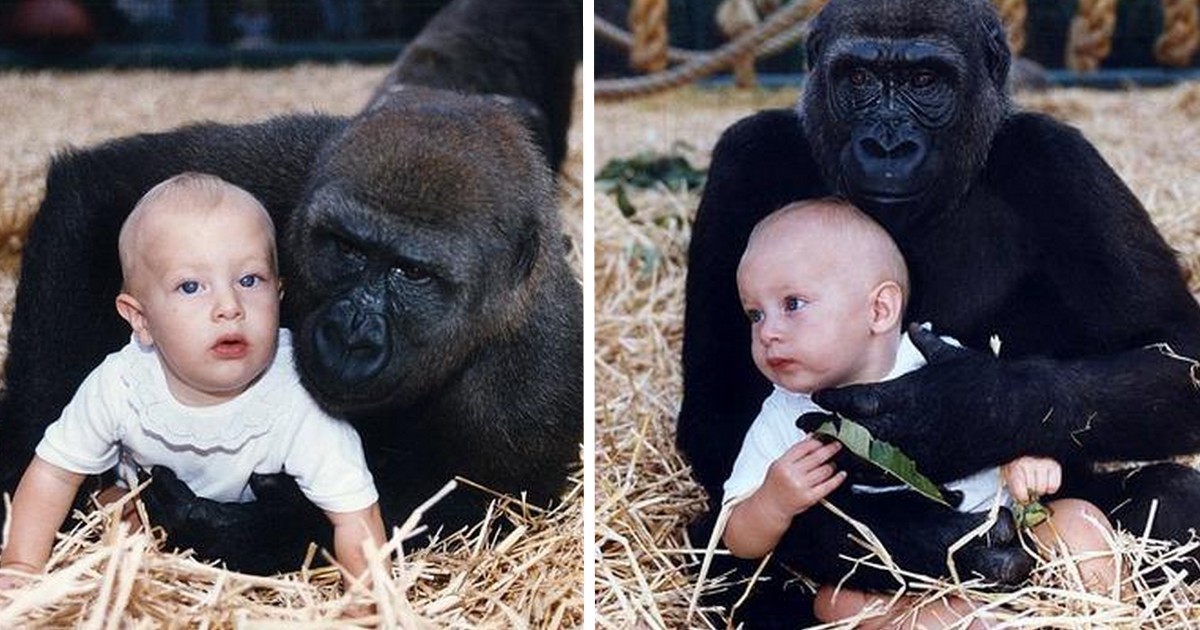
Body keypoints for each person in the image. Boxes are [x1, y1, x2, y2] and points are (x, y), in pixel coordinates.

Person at [722, 198, 1120, 628]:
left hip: (1011, 548)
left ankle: (1100, 618)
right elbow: (738, 539)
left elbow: (1007, 419)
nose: (768, 333)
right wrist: (773, 501)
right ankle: (982, 621)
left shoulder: (942, 362)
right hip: (898, 584)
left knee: (1080, 523)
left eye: (793, 304)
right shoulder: (785, 414)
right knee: (835, 604)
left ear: (879, 310)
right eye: (755, 314)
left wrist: (1029, 458)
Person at [0, 173, 385, 594]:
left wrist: (367, 599)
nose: (228, 306)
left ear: (279, 294)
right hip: (150, 506)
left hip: (244, 541)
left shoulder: (298, 394)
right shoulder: (124, 383)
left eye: (249, 280)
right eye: (190, 286)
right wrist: (20, 564)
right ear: (141, 320)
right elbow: (53, 474)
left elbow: (355, 514)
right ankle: (114, 500)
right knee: (118, 515)